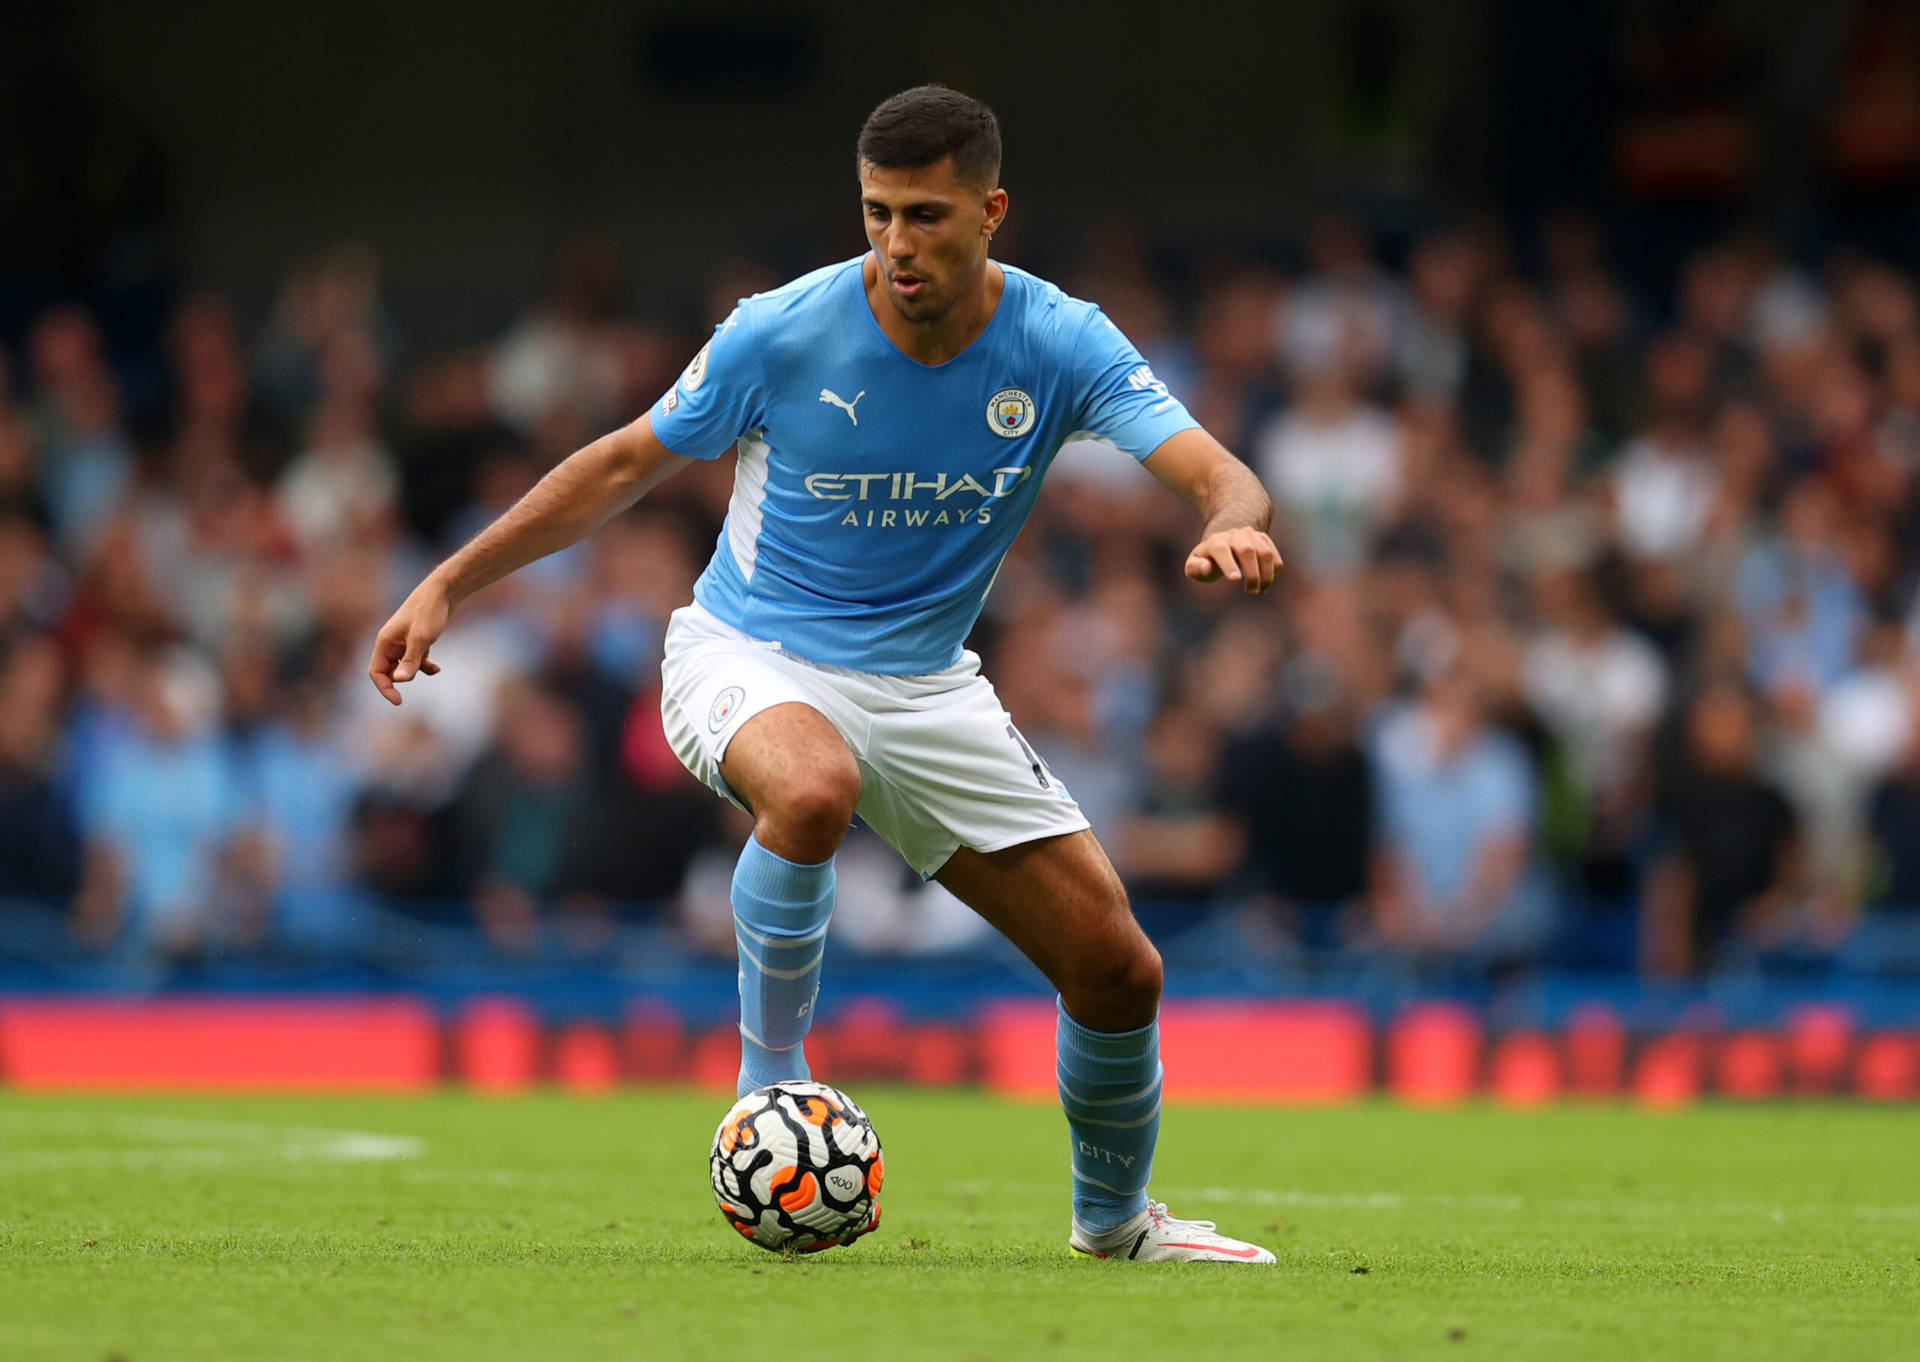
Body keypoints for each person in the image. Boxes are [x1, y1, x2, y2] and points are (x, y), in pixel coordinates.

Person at [368, 87, 1281, 1264]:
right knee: (809, 789)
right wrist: (449, 581)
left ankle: (1114, 1225)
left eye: (928, 216)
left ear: (993, 212)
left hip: (928, 688)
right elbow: (621, 465)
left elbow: (1221, 470)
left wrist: (1232, 523)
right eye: (878, 214)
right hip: (750, 654)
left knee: (1117, 967)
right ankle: (771, 1094)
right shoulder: (781, 330)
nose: (898, 244)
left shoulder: (1060, 340)